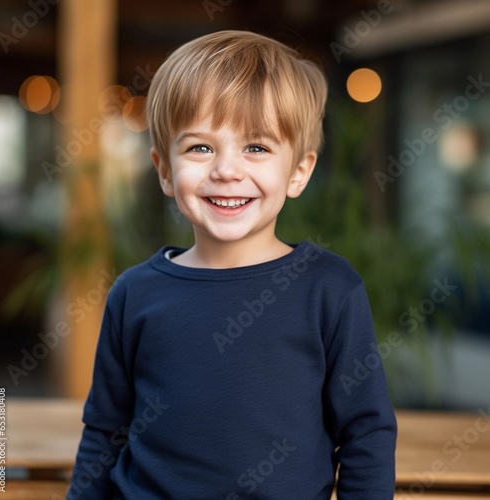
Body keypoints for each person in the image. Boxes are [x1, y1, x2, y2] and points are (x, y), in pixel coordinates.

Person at [67, 30, 397, 499]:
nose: (226, 169)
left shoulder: (331, 290)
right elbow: (104, 431)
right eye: (200, 148)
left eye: (256, 148)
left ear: (298, 172)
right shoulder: (133, 293)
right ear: (164, 170)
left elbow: (366, 435)